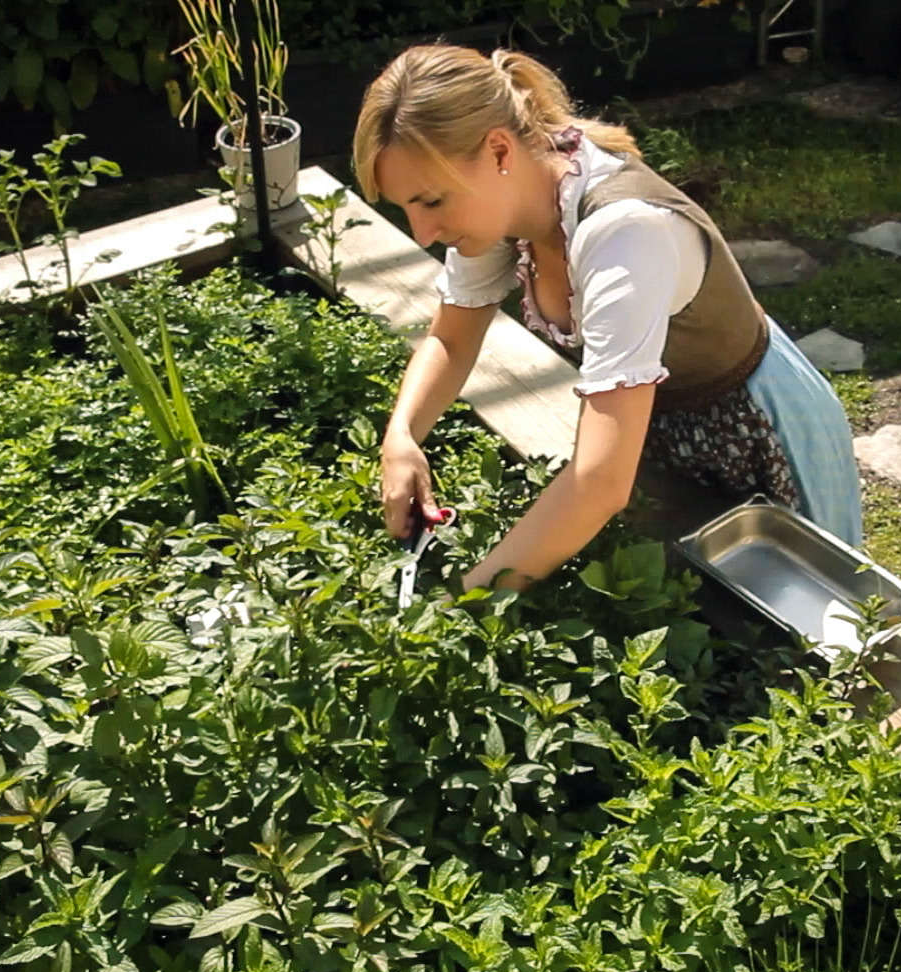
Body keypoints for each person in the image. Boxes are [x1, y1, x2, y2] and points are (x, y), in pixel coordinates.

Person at [352, 44, 863, 595]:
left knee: (808, 616)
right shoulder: (503, 206)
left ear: (500, 150)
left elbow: (598, 483)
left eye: (430, 201)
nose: (423, 233)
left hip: (756, 423)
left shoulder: (623, 235)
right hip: (655, 423)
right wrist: (401, 436)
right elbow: (451, 338)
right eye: (405, 208)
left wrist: (466, 602)